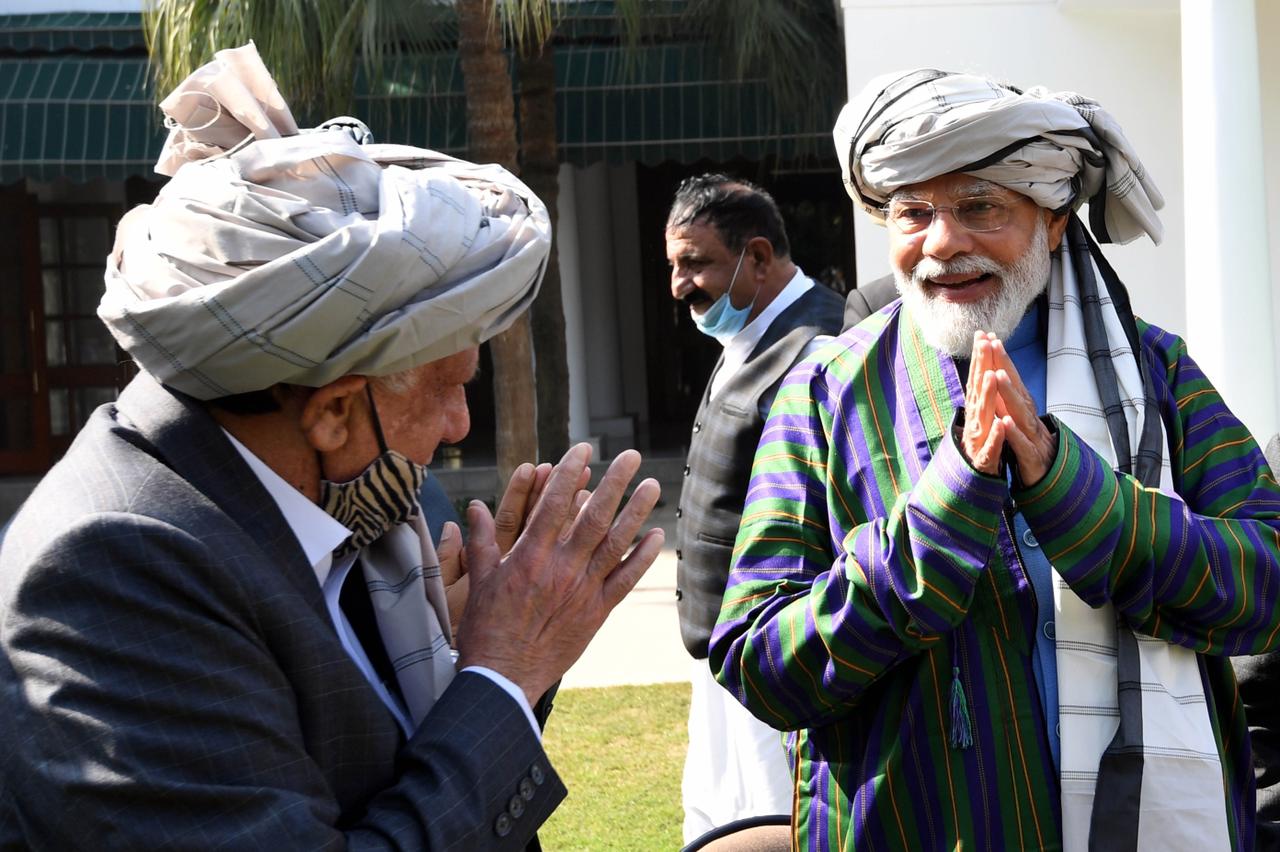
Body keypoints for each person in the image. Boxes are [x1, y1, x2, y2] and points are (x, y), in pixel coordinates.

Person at [0, 44, 664, 849]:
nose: (459, 425)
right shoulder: (116, 572)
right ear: (336, 412)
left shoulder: (355, 504)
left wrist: (481, 659)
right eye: (449, 386)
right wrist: (502, 676)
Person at [710, 68, 1280, 851]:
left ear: (1051, 221)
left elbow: (1265, 584)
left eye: (979, 206)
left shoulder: (1156, 373)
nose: (942, 243)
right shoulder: (825, 392)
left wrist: (1076, 493)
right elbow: (759, 660)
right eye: (914, 213)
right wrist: (940, 523)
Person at [664, 174, 845, 841]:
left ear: (760, 257)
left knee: (779, 826)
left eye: (695, 263)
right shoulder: (745, 336)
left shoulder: (823, 346)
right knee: (721, 822)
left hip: (777, 653)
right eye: (674, 265)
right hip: (720, 655)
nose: (680, 284)